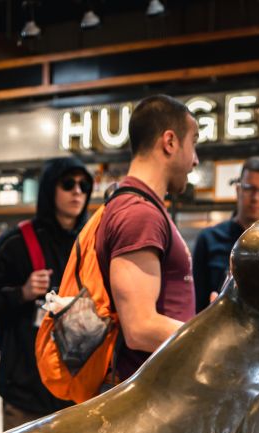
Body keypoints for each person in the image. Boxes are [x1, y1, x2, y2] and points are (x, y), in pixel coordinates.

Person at [0, 157, 93, 430]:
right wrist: (20, 293)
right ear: (49, 189)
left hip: (74, 392)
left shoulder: (88, 242)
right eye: (68, 184)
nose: (77, 192)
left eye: (84, 185)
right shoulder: (17, 242)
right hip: (25, 391)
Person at [95, 94, 198, 382]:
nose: (195, 160)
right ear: (170, 142)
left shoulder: (146, 208)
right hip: (147, 399)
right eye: (194, 143)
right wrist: (214, 336)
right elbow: (139, 328)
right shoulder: (139, 214)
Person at [192, 156, 259, 312]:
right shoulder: (208, 239)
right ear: (238, 190)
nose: (255, 198)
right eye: (249, 188)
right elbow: (197, 304)